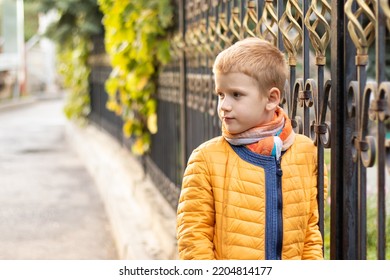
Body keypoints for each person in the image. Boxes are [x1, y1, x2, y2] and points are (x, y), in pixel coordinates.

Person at [176, 37, 327, 260]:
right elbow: (193, 241)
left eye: (236, 95)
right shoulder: (206, 160)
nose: (224, 106)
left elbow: (311, 234)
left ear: (271, 99)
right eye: (221, 94)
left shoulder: (306, 153)